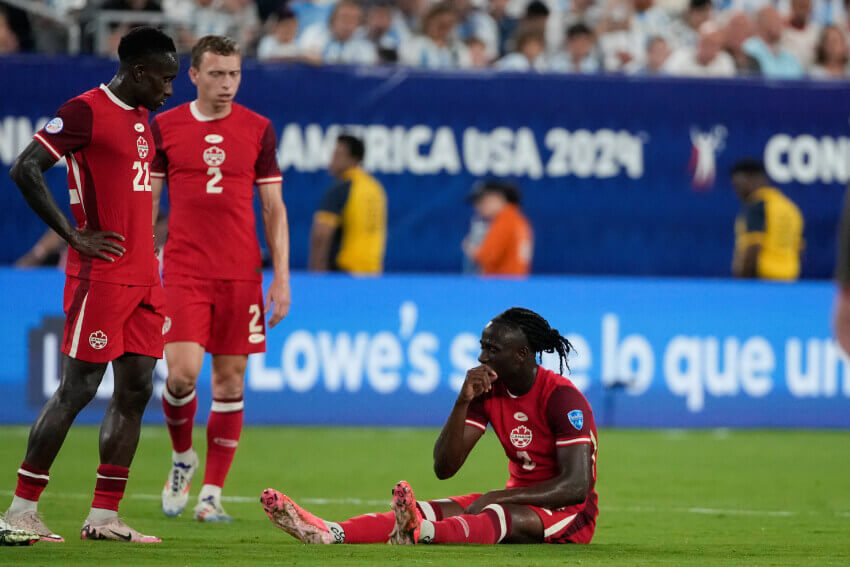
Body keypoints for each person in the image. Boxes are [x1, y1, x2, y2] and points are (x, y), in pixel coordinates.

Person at [3, 26, 178, 544]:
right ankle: (19, 510)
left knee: (138, 389)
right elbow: (24, 168)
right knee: (77, 389)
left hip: (147, 277)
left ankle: (103, 518)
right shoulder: (84, 111)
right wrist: (72, 235)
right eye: (165, 79)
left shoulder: (145, 119)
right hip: (101, 277)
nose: (170, 90)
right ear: (138, 72)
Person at [260, 307, 599, 546]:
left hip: (568, 513)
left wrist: (500, 496)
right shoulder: (486, 391)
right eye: (482, 347)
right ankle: (329, 532)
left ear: (521, 355)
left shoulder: (561, 399)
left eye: (492, 350)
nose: (482, 358)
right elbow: (444, 467)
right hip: (516, 497)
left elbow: (576, 487)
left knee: (494, 512)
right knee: (427, 507)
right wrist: (462, 401)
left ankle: (420, 533)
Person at [150, 35, 291, 523]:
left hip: (240, 273)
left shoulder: (258, 129)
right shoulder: (164, 126)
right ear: (192, 75)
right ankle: (182, 457)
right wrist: (147, 257)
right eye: (216, 74)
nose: (226, 83)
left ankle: (211, 494)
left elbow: (273, 207)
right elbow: (150, 200)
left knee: (230, 384)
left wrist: (281, 275)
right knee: (182, 374)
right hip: (185, 269)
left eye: (233, 74)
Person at [308, 135, 387, 274]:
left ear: (353, 159)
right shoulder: (375, 188)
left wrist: (316, 276)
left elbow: (321, 235)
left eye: (337, 155)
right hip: (373, 273)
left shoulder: (342, 188)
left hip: (344, 273)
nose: (332, 160)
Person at [730, 159, 803, 280]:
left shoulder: (757, 206)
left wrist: (742, 283)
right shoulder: (790, 208)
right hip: (789, 280)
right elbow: (799, 249)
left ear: (754, 179)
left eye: (739, 186)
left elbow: (753, 248)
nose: (738, 193)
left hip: (762, 280)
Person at [463, 181, 533, 276]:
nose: (477, 207)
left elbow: (487, 257)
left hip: (500, 284)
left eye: (481, 201)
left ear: (497, 198)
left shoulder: (505, 221)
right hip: (514, 282)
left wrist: (471, 249)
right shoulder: (518, 219)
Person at [299, 0, 378, 65]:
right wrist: (304, 57)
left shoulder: (365, 46)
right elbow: (298, 55)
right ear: (333, 18)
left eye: (354, 19)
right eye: (344, 17)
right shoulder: (314, 34)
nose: (348, 23)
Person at [744, 6, 805, 78]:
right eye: (774, 20)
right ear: (760, 24)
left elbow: (799, 78)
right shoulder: (749, 48)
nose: (780, 24)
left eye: (779, 20)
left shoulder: (787, 53)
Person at [664, 21, 736, 77]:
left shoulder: (725, 61)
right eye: (705, 42)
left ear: (720, 46)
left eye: (713, 44)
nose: (708, 48)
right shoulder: (680, 57)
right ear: (697, 42)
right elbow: (667, 83)